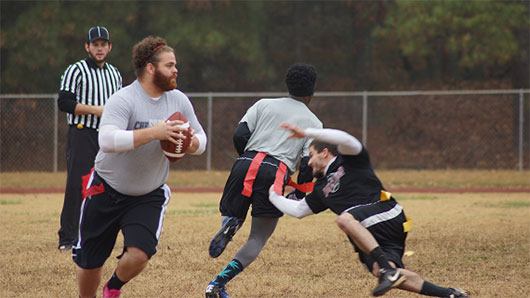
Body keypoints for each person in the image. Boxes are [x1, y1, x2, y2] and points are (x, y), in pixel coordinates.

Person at [73, 36, 207, 298]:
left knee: (140, 254)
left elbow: (202, 140)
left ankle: (113, 288)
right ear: (150, 68)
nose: (175, 70)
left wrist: (191, 144)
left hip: (148, 193)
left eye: (175, 65)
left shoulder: (178, 100)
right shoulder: (123, 99)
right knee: (90, 262)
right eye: (169, 65)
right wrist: (155, 132)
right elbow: (107, 140)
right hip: (106, 188)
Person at [268, 123, 470, 298]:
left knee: (344, 221)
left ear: (325, 152)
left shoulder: (349, 159)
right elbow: (299, 210)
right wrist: (273, 196)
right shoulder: (320, 188)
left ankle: (386, 268)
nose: (309, 162)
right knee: (384, 272)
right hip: (371, 234)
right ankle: (448, 293)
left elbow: (345, 138)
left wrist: (306, 132)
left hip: (386, 214)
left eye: (311, 155)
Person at [205, 64, 323, 298]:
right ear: (312, 91)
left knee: (235, 211)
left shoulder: (263, 103)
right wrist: (299, 194)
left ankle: (230, 223)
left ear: (287, 85)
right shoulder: (313, 122)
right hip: (275, 170)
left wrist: (246, 159)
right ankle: (217, 283)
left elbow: (240, 134)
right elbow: (308, 167)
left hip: (245, 163)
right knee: (258, 237)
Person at [57, 26, 122, 252]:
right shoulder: (76, 70)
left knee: (108, 185)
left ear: (110, 47)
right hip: (83, 133)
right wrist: (97, 110)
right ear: (87, 47)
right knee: (78, 184)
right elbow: (64, 102)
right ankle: (68, 238)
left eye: (103, 44)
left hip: (107, 135)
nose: (100, 48)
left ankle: (99, 234)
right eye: (95, 44)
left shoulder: (115, 74)